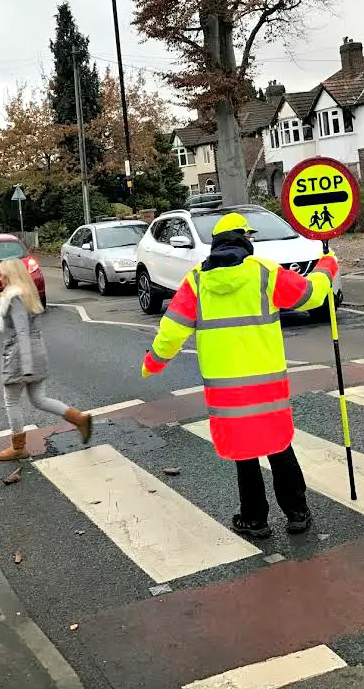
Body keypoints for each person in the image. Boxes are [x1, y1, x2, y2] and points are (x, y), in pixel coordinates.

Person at [140, 212, 334, 538]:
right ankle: (297, 513)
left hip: (225, 392)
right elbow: (311, 295)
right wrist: (327, 266)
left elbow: (171, 332)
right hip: (267, 386)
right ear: (244, 240)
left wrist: (152, 363)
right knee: (279, 446)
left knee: (245, 455)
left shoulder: (197, 282)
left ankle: (254, 519)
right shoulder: (264, 273)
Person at [0, 258, 92, 462]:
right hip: (36, 350)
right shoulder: (28, 293)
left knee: (11, 401)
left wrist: (26, 366)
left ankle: (18, 447)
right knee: (39, 399)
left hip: (20, 355)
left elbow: (21, 332)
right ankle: (79, 419)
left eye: (1, 273)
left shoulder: (14, 296)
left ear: (11, 275)